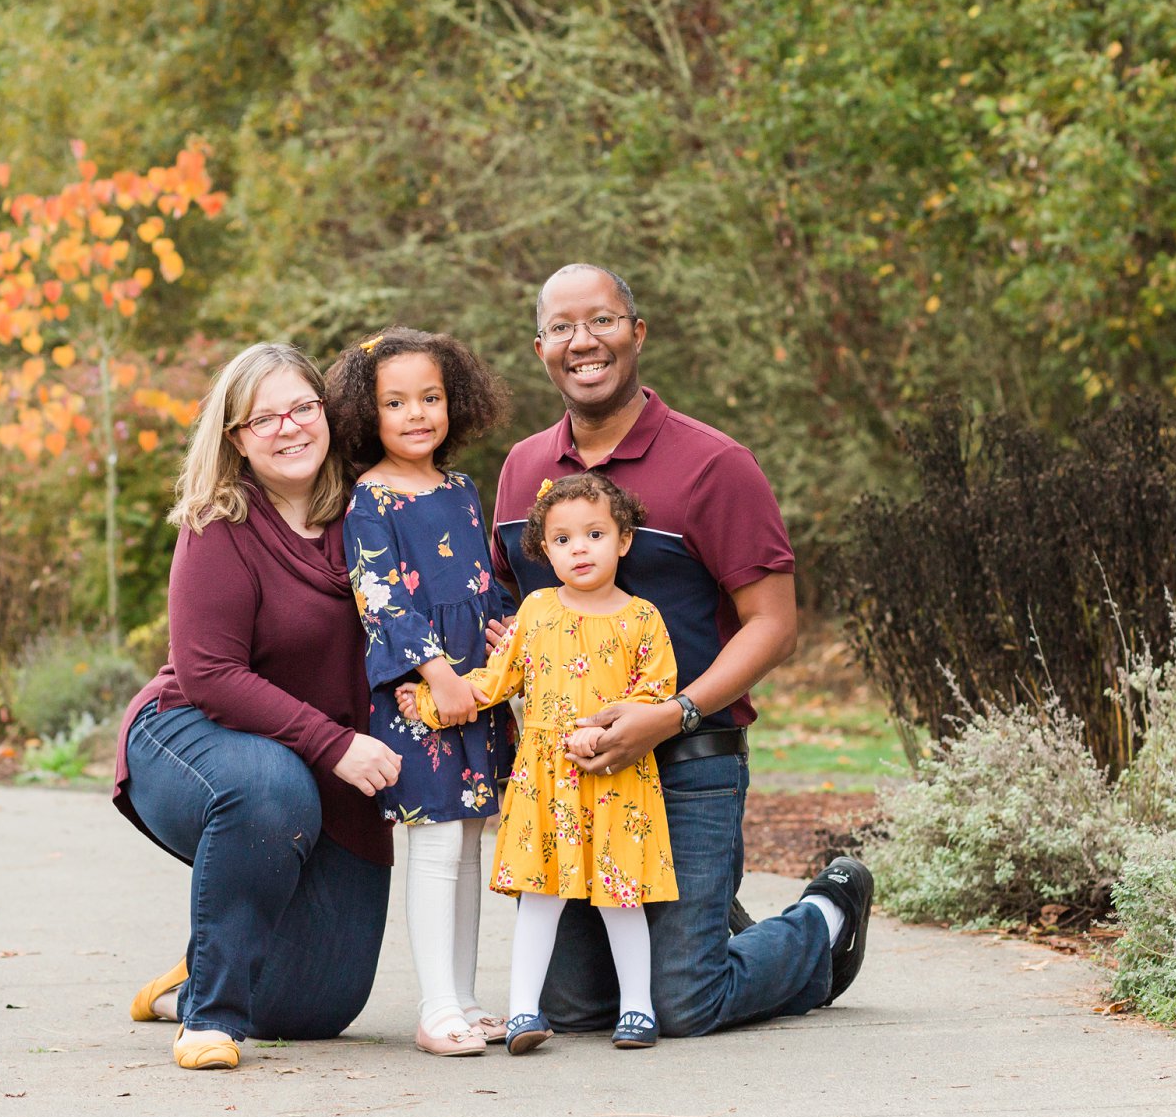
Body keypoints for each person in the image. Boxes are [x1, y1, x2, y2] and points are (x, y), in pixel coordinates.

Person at [488, 263, 875, 1039]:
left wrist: (675, 712)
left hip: (689, 765)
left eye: (601, 320)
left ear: (638, 332)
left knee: (679, 1005)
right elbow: (511, 614)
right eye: (562, 327)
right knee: (569, 1009)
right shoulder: (523, 471)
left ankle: (821, 920)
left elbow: (773, 623)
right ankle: (703, 915)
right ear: (540, 349)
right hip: (573, 776)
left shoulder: (713, 465)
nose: (582, 341)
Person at [113, 342, 404, 1072]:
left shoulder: (370, 512)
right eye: (262, 418)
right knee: (271, 787)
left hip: (327, 772)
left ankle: (194, 973)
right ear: (236, 437)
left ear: (326, 414)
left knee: (316, 1009)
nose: (288, 428)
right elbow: (210, 673)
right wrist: (334, 743)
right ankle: (209, 1018)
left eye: (302, 407)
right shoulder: (221, 523)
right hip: (194, 737)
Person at [404, 473, 680, 1053]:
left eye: (595, 533)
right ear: (544, 549)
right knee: (541, 894)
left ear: (623, 540)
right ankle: (525, 1012)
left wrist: (601, 732)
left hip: (616, 778)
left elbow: (655, 695)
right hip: (546, 781)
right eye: (562, 539)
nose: (579, 548)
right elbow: (496, 681)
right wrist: (433, 698)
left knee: (619, 894)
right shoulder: (535, 612)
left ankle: (637, 1008)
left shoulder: (643, 619)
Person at [323, 327, 518, 1058]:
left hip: (479, 694)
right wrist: (436, 671)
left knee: (468, 847)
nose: (416, 414)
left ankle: (465, 1000)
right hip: (421, 701)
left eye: (430, 398)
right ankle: (436, 1008)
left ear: (454, 401)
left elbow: (481, 584)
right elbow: (379, 597)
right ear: (365, 416)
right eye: (395, 402)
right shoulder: (370, 498)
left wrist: (505, 638)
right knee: (436, 846)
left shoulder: (463, 488)